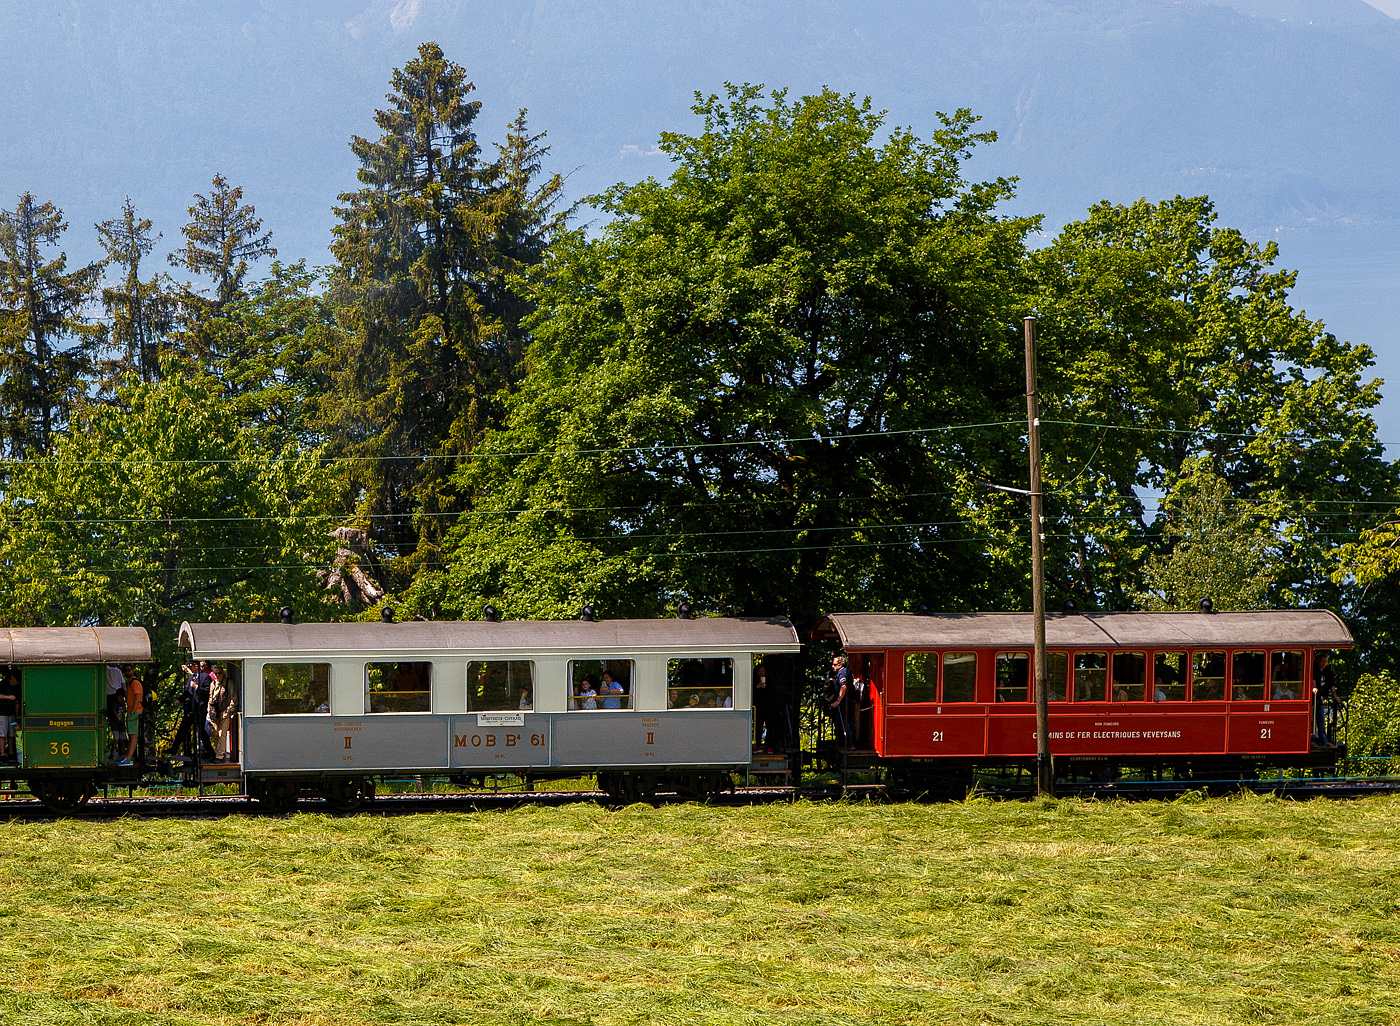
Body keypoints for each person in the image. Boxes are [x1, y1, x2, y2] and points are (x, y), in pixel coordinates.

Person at [207, 666, 236, 761]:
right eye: (215, 673)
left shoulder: (228, 683)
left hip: (225, 712)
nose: (217, 675)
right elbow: (210, 698)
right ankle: (217, 753)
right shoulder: (212, 684)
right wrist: (209, 710)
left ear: (222, 673)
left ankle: (219, 755)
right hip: (214, 713)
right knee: (215, 735)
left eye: (219, 673)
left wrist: (228, 711)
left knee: (222, 734)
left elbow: (233, 698)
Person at [119, 665, 144, 766]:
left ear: (133, 671)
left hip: (135, 712)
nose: (127, 672)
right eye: (125, 671)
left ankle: (129, 759)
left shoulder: (135, 683)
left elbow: (138, 698)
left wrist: (133, 711)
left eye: (129, 670)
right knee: (131, 735)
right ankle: (126, 756)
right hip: (131, 711)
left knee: (133, 736)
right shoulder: (129, 684)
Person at [1313, 651, 1339, 745]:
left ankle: (1324, 741)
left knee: (1321, 718)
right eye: (1323, 661)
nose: (1324, 663)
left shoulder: (1327, 670)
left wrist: (1335, 696)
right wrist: (1314, 688)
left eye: (1326, 661)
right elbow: (1313, 679)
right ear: (1318, 661)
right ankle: (1313, 739)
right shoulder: (1314, 668)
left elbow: (1331, 684)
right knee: (1312, 718)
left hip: (1320, 697)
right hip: (1312, 697)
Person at [826, 653, 851, 748]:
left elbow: (843, 687)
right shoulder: (843, 672)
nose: (833, 666)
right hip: (844, 702)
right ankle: (845, 742)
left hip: (844, 704)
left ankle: (848, 743)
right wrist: (831, 698)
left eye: (834, 664)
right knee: (845, 722)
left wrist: (838, 701)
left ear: (840, 665)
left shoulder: (842, 673)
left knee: (845, 722)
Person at [0, 667, 16, 763]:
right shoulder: (2, 684)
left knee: (11, 734)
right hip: (2, 713)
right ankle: (2, 754)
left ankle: (11, 753)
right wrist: (7, 697)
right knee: (2, 734)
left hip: (11, 713)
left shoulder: (15, 687)